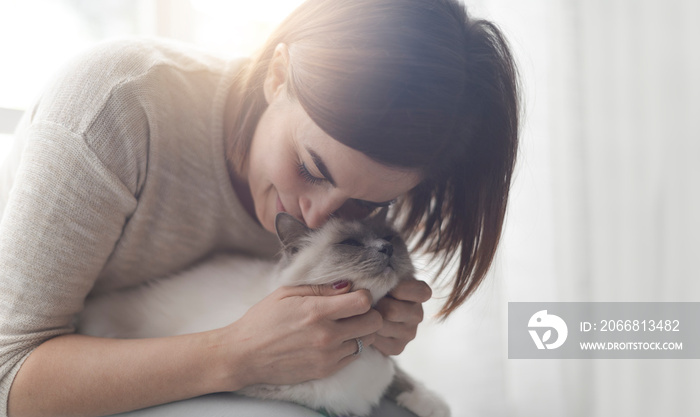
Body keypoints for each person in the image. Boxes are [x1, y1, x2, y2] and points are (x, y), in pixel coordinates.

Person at [0, 0, 519, 416]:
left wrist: (366, 337)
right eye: (311, 168)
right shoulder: (113, 108)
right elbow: (9, 375)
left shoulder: (381, 167)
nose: (318, 218)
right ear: (277, 75)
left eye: (365, 204)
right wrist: (234, 356)